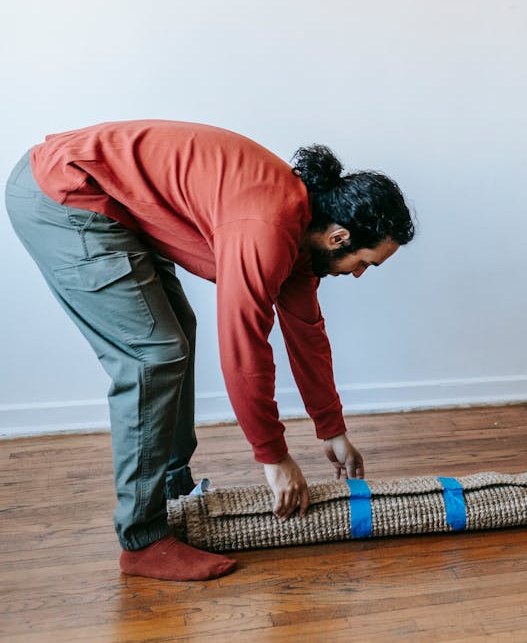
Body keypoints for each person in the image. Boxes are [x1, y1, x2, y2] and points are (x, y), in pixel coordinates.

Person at [5, 120, 415, 580]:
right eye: (365, 263)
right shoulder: (268, 225)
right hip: (64, 193)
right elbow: (244, 348)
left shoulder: (302, 236)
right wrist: (274, 457)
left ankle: (174, 494)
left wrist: (331, 428)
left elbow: (306, 333)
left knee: (176, 333)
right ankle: (142, 541)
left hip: (110, 201)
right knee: (153, 356)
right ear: (339, 236)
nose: (359, 273)